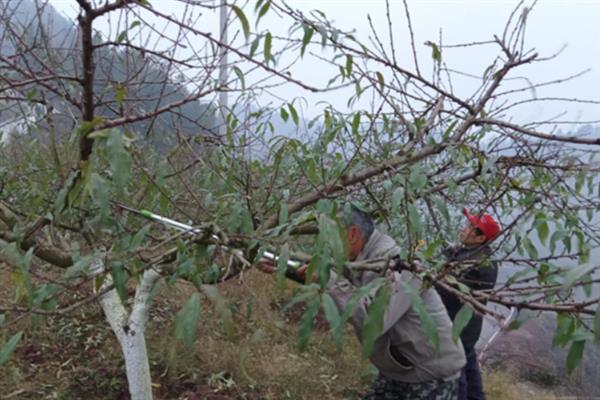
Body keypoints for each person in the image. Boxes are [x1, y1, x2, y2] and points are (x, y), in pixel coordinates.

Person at [258, 207, 466, 400]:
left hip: (430, 377)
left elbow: (373, 321)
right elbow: (338, 281)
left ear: (353, 234)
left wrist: (328, 278)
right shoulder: (363, 256)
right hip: (399, 371)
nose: (327, 245)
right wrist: (286, 267)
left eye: (331, 237)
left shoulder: (397, 264)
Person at [437, 208, 501, 400]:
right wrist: (452, 252)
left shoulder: (477, 264)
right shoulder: (479, 256)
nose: (463, 229)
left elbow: (445, 286)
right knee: (469, 365)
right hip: (468, 328)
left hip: (458, 326)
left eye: (470, 227)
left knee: (457, 374)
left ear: (480, 239)